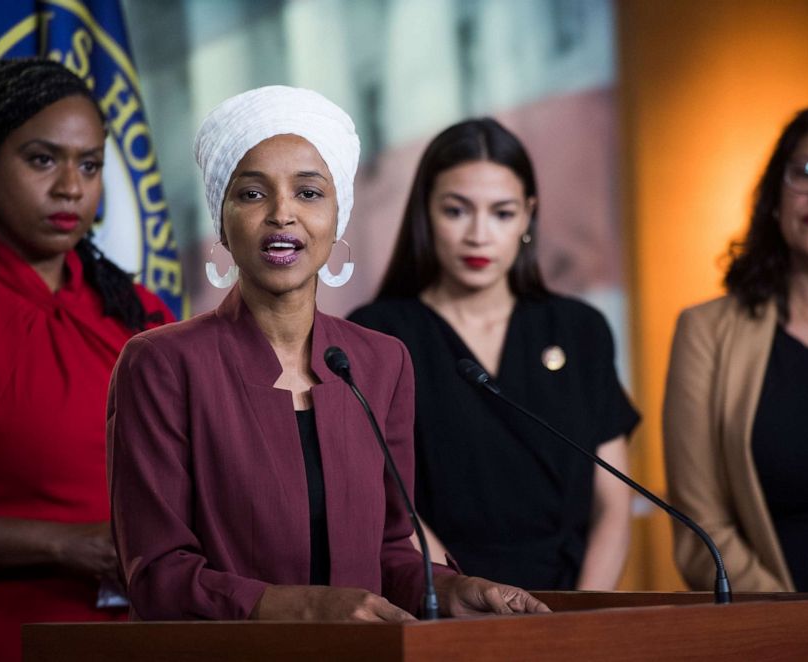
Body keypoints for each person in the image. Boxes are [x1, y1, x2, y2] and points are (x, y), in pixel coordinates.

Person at [108, 86, 549, 621]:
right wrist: (306, 609)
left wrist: (453, 590)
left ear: (338, 217)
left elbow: (390, 551)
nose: (282, 215)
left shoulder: (381, 362)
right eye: (251, 194)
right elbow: (158, 574)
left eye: (310, 193)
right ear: (220, 219)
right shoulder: (161, 364)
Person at [0, 57, 173, 662]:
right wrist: (68, 546)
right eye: (42, 159)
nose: (71, 186)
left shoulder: (142, 315)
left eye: (90, 164)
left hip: (136, 637)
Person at [349, 118, 639, 590]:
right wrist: (458, 595)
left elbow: (614, 503)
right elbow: (390, 502)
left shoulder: (580, 329)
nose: (479, 235)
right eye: (457, 211)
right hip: (443, 603)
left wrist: (581, 621)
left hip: (567, 608)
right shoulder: (379, 333)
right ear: (426, 212)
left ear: (528, 216)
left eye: (502, 214)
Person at [663, 96, 808, 594]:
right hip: (765, 631)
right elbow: (702, 528)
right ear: (775, 193)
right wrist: (793, 626)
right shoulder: (705, 332)